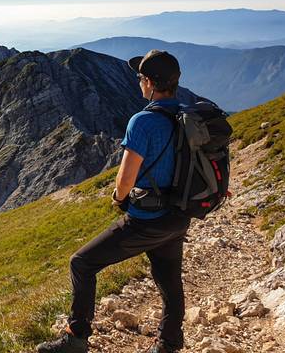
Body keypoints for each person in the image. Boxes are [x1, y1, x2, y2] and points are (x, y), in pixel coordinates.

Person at [36, 50, 191, 353]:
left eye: (140, 77)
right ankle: (169, 343)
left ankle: (76, 338)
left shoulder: (143, 122)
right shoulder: (186, 116)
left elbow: (124, 180)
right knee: (169, 277)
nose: (138, 82)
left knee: (82, 263)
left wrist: (118, 199)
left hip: (146, 220)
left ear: (148, 82)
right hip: (179, 217)